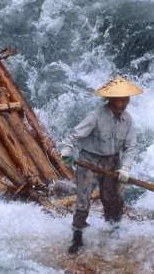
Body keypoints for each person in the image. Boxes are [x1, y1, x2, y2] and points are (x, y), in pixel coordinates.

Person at [59, 74, 142, 254]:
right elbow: (74, 137)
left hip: (112, 161)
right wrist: (66, 152)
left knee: (115, 198)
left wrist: (125, 167)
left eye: (127, 99)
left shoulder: (127, 119)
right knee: (83, 201)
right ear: (112, 99)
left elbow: (130, 147)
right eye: (122, 99)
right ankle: (77, 238)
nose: (126, 102)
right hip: (90, 160)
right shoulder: (95, 116)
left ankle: (114, 229)